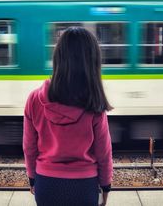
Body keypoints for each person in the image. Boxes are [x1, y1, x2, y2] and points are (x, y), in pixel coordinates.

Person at [23, 27, 113, 206]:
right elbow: (103, 152)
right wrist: (106, 187)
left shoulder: (35, 99)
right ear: (92, 62)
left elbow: (29, 146)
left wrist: (32, 178)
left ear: (58, 58)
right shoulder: (94, 103)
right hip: (84, 187)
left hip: (46, 184)